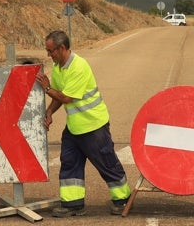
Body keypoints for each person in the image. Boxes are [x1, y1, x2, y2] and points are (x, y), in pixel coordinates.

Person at [36, 30, 131, 217]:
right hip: (74, 127)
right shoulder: (58, 67)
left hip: (93, 126)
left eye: (51, 50)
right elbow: (59, 95)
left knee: (107, 163)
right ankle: (73, 204)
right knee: (69, 162)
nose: (48, 54)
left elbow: (67, 97)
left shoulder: (78, 66)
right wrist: (49, 111)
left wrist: (47, 88)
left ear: (62, 48)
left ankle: (123, 199)